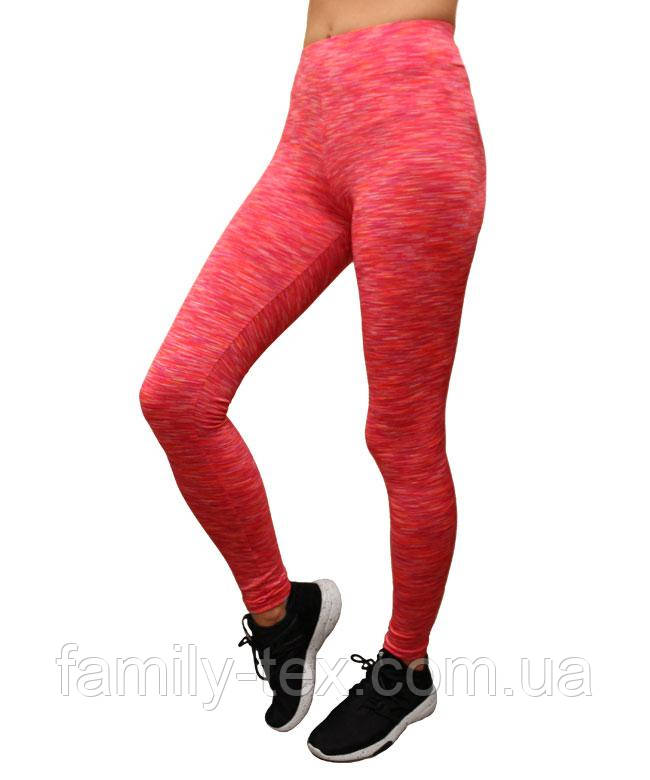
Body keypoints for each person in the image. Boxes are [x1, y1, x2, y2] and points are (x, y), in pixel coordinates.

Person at [140, 0, 485, 762]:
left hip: (413, 122)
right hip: (311, 130)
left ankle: (406, 668)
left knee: (401, 436)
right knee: (177, 393)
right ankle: (281, 613)